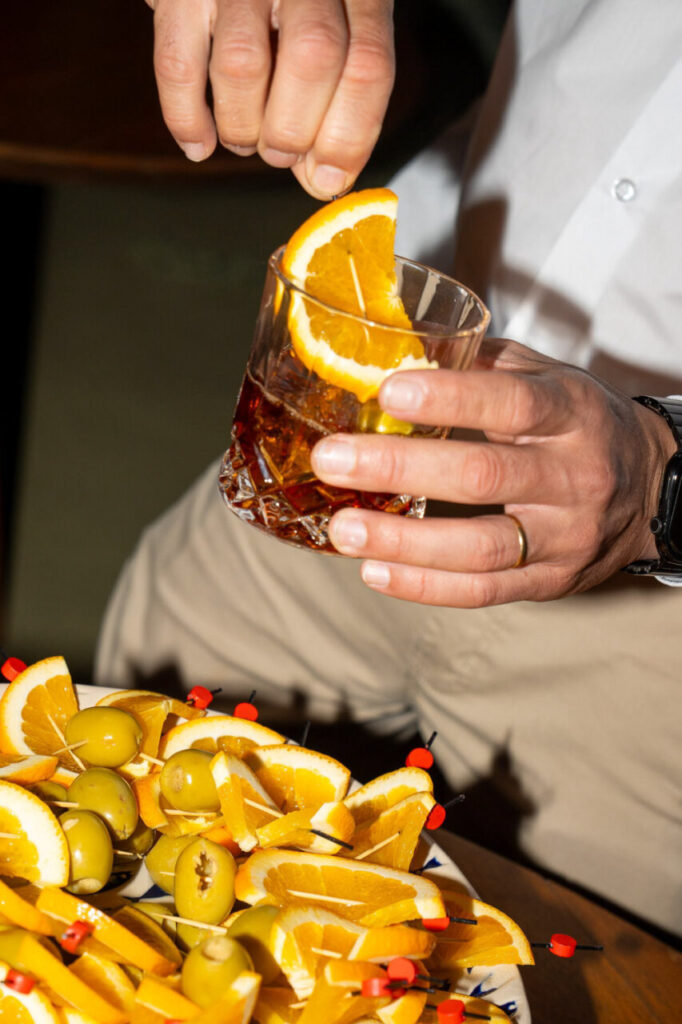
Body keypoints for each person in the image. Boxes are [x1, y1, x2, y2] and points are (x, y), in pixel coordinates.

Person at [99, 0, 682, 936]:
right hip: (357, 434)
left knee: (554, 973)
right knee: (110, 812)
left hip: (659, 631)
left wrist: (663, 481)